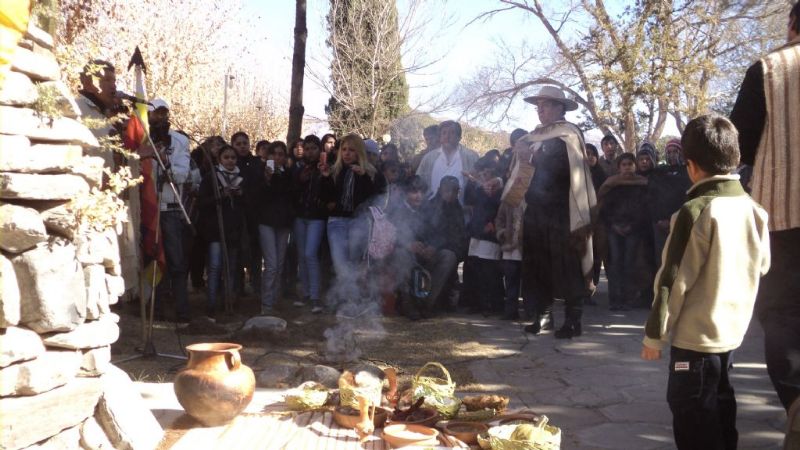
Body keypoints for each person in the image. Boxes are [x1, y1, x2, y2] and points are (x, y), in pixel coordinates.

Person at [641, 114, 771, 450]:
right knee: (722, 414)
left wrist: (654, 336)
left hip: (694, 343)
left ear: (691, 165)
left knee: (694, 421)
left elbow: (672, 280)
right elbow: (764, 265)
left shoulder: (696, 210)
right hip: (729, 337)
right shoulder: (754, 209)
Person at [729, 1, 800, 413]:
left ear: (792, 23)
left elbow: (738, 143)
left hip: (783, 218)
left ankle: (795, 412)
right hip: (781, 220)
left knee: (783, 317)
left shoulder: (769, 69)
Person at [519, 85, 596, 339]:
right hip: (536, 210)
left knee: (566, 265)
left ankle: (574, 319)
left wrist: (535, 159)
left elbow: (568, 169)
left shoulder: (569, 134)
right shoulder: (534, 137)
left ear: (560, 108)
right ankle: (543, 315)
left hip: (562, 211)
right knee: (537, 264)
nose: (540, 110)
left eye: (546, 105)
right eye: (538, 106)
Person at [389, 176, 458, 320]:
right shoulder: (395, 210)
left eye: (422, 192)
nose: (418, 196)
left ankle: (426, 303)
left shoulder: (430, 208)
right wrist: (408, 244)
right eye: (414, 192)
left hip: (425, 255)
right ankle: (408, 303)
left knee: (448, 256)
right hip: (403, 256)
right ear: (405, 193)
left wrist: (433, 247)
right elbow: (388, 236)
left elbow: (440, 232)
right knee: (401, 255)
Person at [148, 98, 192, 321]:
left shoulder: (180, 141)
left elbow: (183, 174)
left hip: (172, 208)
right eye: (156, 114)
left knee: (176, 261)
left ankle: (181, 310)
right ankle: (153, 309)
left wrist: (166, 163)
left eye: (164, 113)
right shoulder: (142, 140)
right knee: (151, 261)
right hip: (148, 209)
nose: (161, 118)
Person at [320, 133, 378, 303]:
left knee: (354, 263)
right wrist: (324, 178)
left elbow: (370, 198)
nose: (346, 153)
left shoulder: (369, 172)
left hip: (358, 222)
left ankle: (351, 302)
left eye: (351, 150)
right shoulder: (335, 170)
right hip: (337, 222)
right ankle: (346, 301)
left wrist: (363, 177)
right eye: (344, 150)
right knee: (340, 264)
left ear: (359, 152)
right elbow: (326, 196)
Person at [597, 153, 649, 311]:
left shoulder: (642, 184)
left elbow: (644, 208)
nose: (627, 167)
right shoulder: (611, 184)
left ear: (635, 166)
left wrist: (632, 226)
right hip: (614, 229)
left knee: (630, 264)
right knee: (615, 264)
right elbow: (604, 207)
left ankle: (628, 299)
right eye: (624, 164)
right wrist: (614, 225)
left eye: (630, 164)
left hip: (634, 230)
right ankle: (615, 299)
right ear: (619, 167)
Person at [197, 145, 244, 318]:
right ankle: (211, 305)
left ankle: (228, 304)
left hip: (233, 230)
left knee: (230, 269)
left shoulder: (240, 178)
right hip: (216, 230)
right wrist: (220, 196)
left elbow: (245, 205)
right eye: (226, 157)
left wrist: (240, 195)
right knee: (215, 267)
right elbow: (202, 202)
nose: (230, 160)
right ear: (220, 159)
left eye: (233, 158)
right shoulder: (212, 177)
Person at [462, 156, 505, 314]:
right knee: (475, 268)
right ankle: (477, 303)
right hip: (476, 230)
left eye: (489, 174)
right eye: (483, 173)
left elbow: (501, 209)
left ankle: (491, 303)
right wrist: (472, 182)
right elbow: (469, 202)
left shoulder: (500, 189)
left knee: (490, 271)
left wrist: (494, 223)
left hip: (489, 232)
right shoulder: (477, 187)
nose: (485, 177)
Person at [255, 141, 293, 315]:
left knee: (279, 263)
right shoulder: (261, 173)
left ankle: (276, 300)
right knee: (271, 265)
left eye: (281, 154)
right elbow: (258, 197)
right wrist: (267, 179)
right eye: (274, 154)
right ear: (268, 156)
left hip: (283, 223)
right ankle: (267, 304)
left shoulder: (288, 174)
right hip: (266, 222)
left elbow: (290, 196)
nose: (278, 157)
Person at [292, 135, 328, 314]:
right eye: (307, 149)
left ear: (319, 150)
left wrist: (324, 175)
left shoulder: (325, 167)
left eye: (314, 148)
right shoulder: (298, 168)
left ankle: (315, 296)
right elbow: (291, 191)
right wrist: (300, 180)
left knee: (310, 254)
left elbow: (329, 190)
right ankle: (305, 293)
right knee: (301, 256)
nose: (310, 152)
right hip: (300, 216)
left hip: (317, 217)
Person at [646, 139, 691, 265]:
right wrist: (658, 220)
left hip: (679, 223)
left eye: (675, 151)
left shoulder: (687, 172)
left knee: (679, 259)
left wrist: (673, 220)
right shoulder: (658, 172)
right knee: (661, 259)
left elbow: (688, 198)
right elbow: (651, 197)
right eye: (669, 152)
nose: (672, 155)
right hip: (659, 224)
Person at [415, 120, 479, 205]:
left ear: (459, 137)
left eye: (452, 133)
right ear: (440, 137)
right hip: (433, 210)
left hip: (460, 211)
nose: (447, 136)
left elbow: (480, 182)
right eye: (444, 133)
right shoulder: (429, 158)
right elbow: (418, 181)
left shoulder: (471, 157)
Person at [231, 131, 262, 298]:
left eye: (245, 143)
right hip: (236, 213)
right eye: (238, 144)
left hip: (255, 213)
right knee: (237, 250)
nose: (242, 147)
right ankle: (238, 287)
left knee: (255, 251)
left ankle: (257, 285)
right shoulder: (230, 163)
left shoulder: (257, 163)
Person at [585, 143, 608, 297]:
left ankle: (592, 289)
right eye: (586, 153)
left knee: (596, 255)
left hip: (599, 219)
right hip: (581, 219)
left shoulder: (601, 174)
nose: (590, 156)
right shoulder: (575, 174)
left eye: (592, 153)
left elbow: (605, 195)